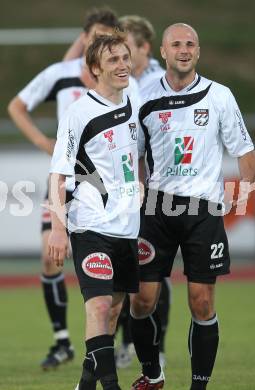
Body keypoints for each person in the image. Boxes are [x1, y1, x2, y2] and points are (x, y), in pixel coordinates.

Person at [130, 23, 255, 390]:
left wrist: (246, 188)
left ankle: (198, 387)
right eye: (176, 44)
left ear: (198, 52)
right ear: (164, 53)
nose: (184, 49)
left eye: (190, 44)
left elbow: (245, 151)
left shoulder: (219, 96)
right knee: (141, 300)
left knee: (201, 302)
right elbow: (133, 154)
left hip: (203, 210)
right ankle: (153, 374)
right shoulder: (143, 97)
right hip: (156, 208)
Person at [7, 7, 122, 370]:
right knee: (49, 255)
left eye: (108, 38)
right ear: (84, 39)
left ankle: (112, 342)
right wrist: (44, 142)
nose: (100, 44)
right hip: (65, 179)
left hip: (105, 185)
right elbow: (17, 105)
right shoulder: (61, 74)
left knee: (118, 267)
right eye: (94, 37)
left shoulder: (121, 80)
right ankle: (62, 341)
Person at [48, 33, 140, 390]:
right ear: (95, 69)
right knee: (99, 308)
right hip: (91, 226)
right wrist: (58, 228)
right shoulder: (79, 112)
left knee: (113, 312)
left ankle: (86, 384)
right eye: (113, 60)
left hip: (128, 227)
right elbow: (59, 173)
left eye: (124, 57)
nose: (122, 65)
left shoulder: (134, 98)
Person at [115, 15, 169, 370]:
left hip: (154, 190)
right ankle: (127, 343)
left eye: (128, 48)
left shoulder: (158, 84)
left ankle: (157, 344)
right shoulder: (119, 84)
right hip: (125, 189)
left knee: (153, 270)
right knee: (122, 265)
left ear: (145, 48)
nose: (121, 55)